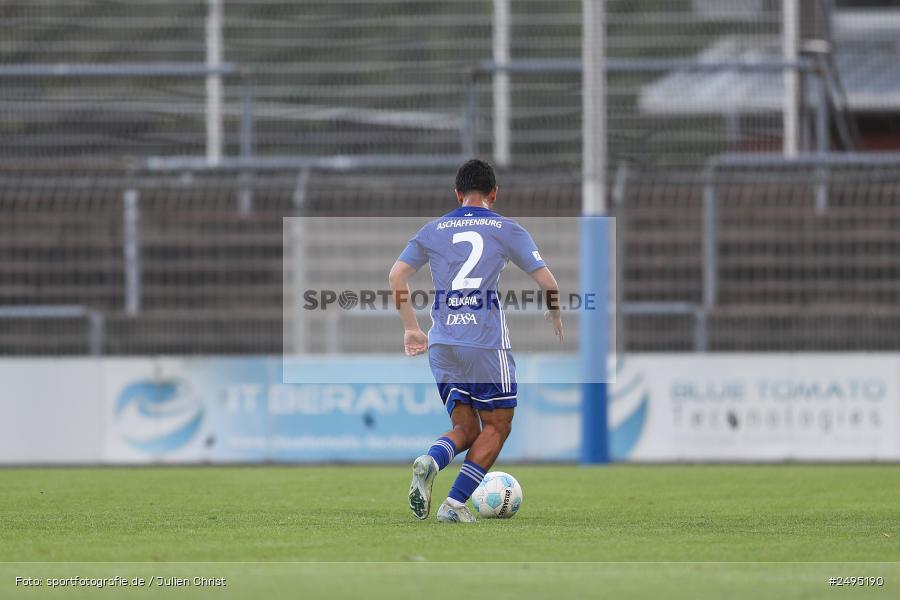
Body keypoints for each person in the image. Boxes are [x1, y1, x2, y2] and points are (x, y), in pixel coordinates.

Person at [388, 159, 563, 523]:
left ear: (457, 194)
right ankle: (453, 505)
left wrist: (410, 328)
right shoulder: (505, 228)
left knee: (466, 429)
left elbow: (397, 275)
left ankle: (432, 459)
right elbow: (549, 285)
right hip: (483, 342)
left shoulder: (433, 229)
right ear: (494, 194)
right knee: (498, 426)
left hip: (442, 342)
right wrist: (555, 312)